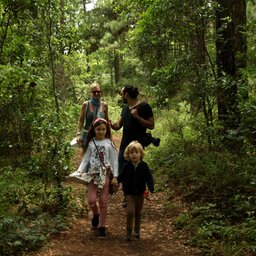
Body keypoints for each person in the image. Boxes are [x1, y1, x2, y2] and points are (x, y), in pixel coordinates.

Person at [69, 118, 118, 238]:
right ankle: (96, 214)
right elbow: (86, 159)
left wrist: (115, 176)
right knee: (91, 201)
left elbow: (114, 161)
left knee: (103, 201)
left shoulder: (109, 143)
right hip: (92, 174)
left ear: (106, 130)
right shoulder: (91, 143)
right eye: (98, 129)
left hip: (104, 174)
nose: (101, 131)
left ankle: (102, 226)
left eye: (103, 129)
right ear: (94, 130)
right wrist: (79, 171)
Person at [111, 85, 155, 206]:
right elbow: (118, 125)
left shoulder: (144, 107)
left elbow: (151, 125)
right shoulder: (125, 109)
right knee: (123, 171)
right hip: (124, 146)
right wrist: (111, 124)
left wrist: (138, 117)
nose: (121, 96)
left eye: (121, 93)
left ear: (126, 94)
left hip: (136, 147)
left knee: (135, 171)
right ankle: (127, 195)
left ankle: (138, 194)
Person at [117, 141, 154, 241]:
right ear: (128, 154)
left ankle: (137, 230)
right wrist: (115, 181)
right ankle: (129, 231)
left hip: (141, 194)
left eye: (136, 152)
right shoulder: (126, 166)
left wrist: (150, 189)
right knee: (130, 212)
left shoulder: (144, 166)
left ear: (141, 154)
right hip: (129, 194)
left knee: (138, 213)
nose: (134, 154)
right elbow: (121, 176)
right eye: (131, 153)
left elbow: (149, 178)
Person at [76, 81, 109, 149]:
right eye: (94, 92)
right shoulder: (86, 104)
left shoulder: (104, 105)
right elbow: (81, 121)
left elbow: (106, 122)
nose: (96, 93)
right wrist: (78, 133)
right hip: (87, 136)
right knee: (86, 157)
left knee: (99, 157)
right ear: (90, 92)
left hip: (100, 135)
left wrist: (109, 136)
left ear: (100, 92)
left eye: (98, 91)